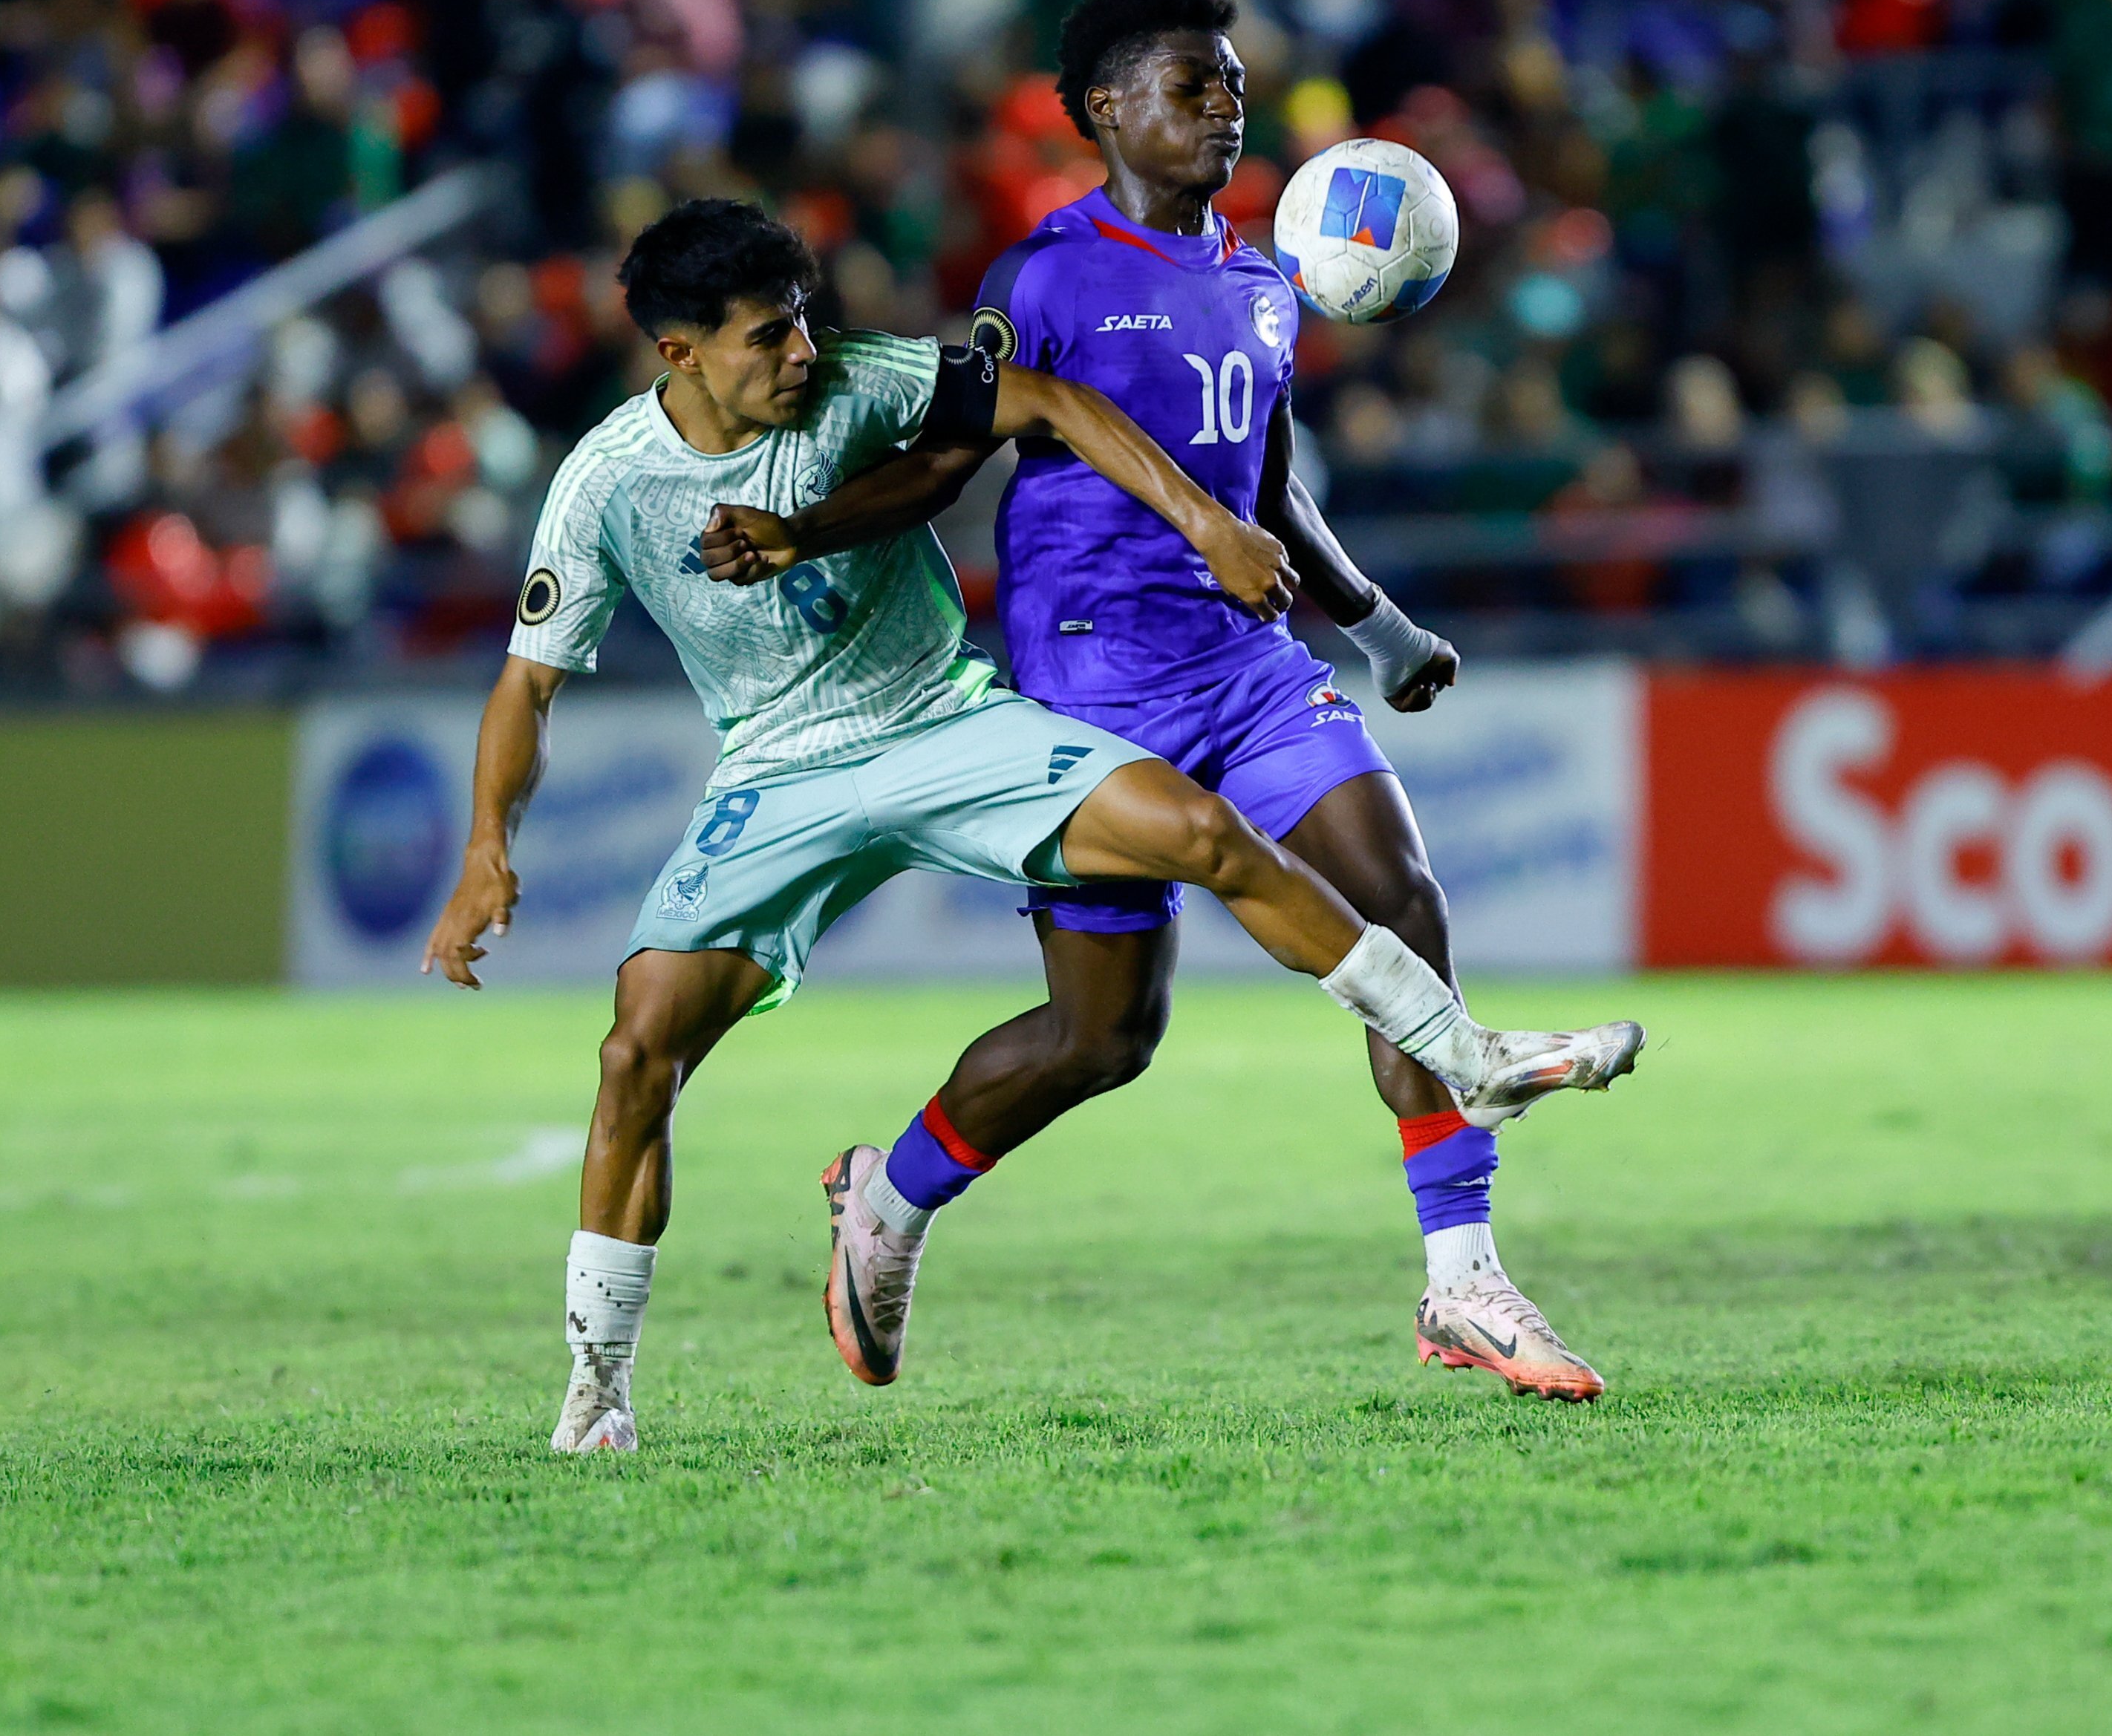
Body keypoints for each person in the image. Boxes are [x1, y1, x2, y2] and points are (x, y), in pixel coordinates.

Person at [423, 198, 1640, 1454]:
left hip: (944, 723)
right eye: (764, 338)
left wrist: (1213, 520)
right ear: (679, 355)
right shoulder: (607, 482)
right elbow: (528, 680)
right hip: (776, 774)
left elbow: (1054, 404)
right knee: (639, 1057)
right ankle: (596, 1394)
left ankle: (1464, 1052)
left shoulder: (864, 376)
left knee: (1204, 834)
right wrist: (483, 852)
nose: (801, 353)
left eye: (800, 322)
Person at [691, 0, 1616, 1401]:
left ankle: (1464, 1281)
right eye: (1194, 85)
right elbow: (946, 464)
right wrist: (802, 532)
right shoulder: (1044, 278)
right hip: (1091, 698)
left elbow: (1271, 493)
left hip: (1248, 674)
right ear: (1106, 110)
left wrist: (1380, 633)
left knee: (1404, 902)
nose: (1225, 107)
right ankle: (891, 1194)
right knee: (1104, 1035)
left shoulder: (1264, 282)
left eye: (1234, 87)